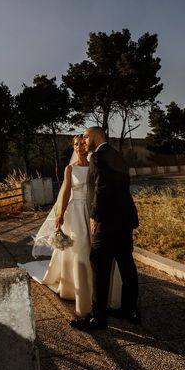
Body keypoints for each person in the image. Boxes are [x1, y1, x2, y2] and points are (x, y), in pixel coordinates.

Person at [25, 135, 121, 318]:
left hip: (92, 210)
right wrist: (60, 214)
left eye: (82, 143)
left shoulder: (95, 164)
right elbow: (66, 191)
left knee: (97, 249)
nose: (79, 147)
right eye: (75, 144)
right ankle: (79, 293)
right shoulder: (70, 168)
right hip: (75, 212)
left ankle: (99, 293)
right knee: (80, 250)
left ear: (87, 145)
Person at [70, 126, 140, 331]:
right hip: (124, 221)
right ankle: (130, 310)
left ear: (96, 136)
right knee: (127, 265)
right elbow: (122, 186)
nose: (84, 139)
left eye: (86, 136)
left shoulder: (98, 157)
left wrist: (95, 216)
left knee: (99, 267)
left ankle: (98, 318)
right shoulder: (117, 155)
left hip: (107, 223)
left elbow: (102, 188)